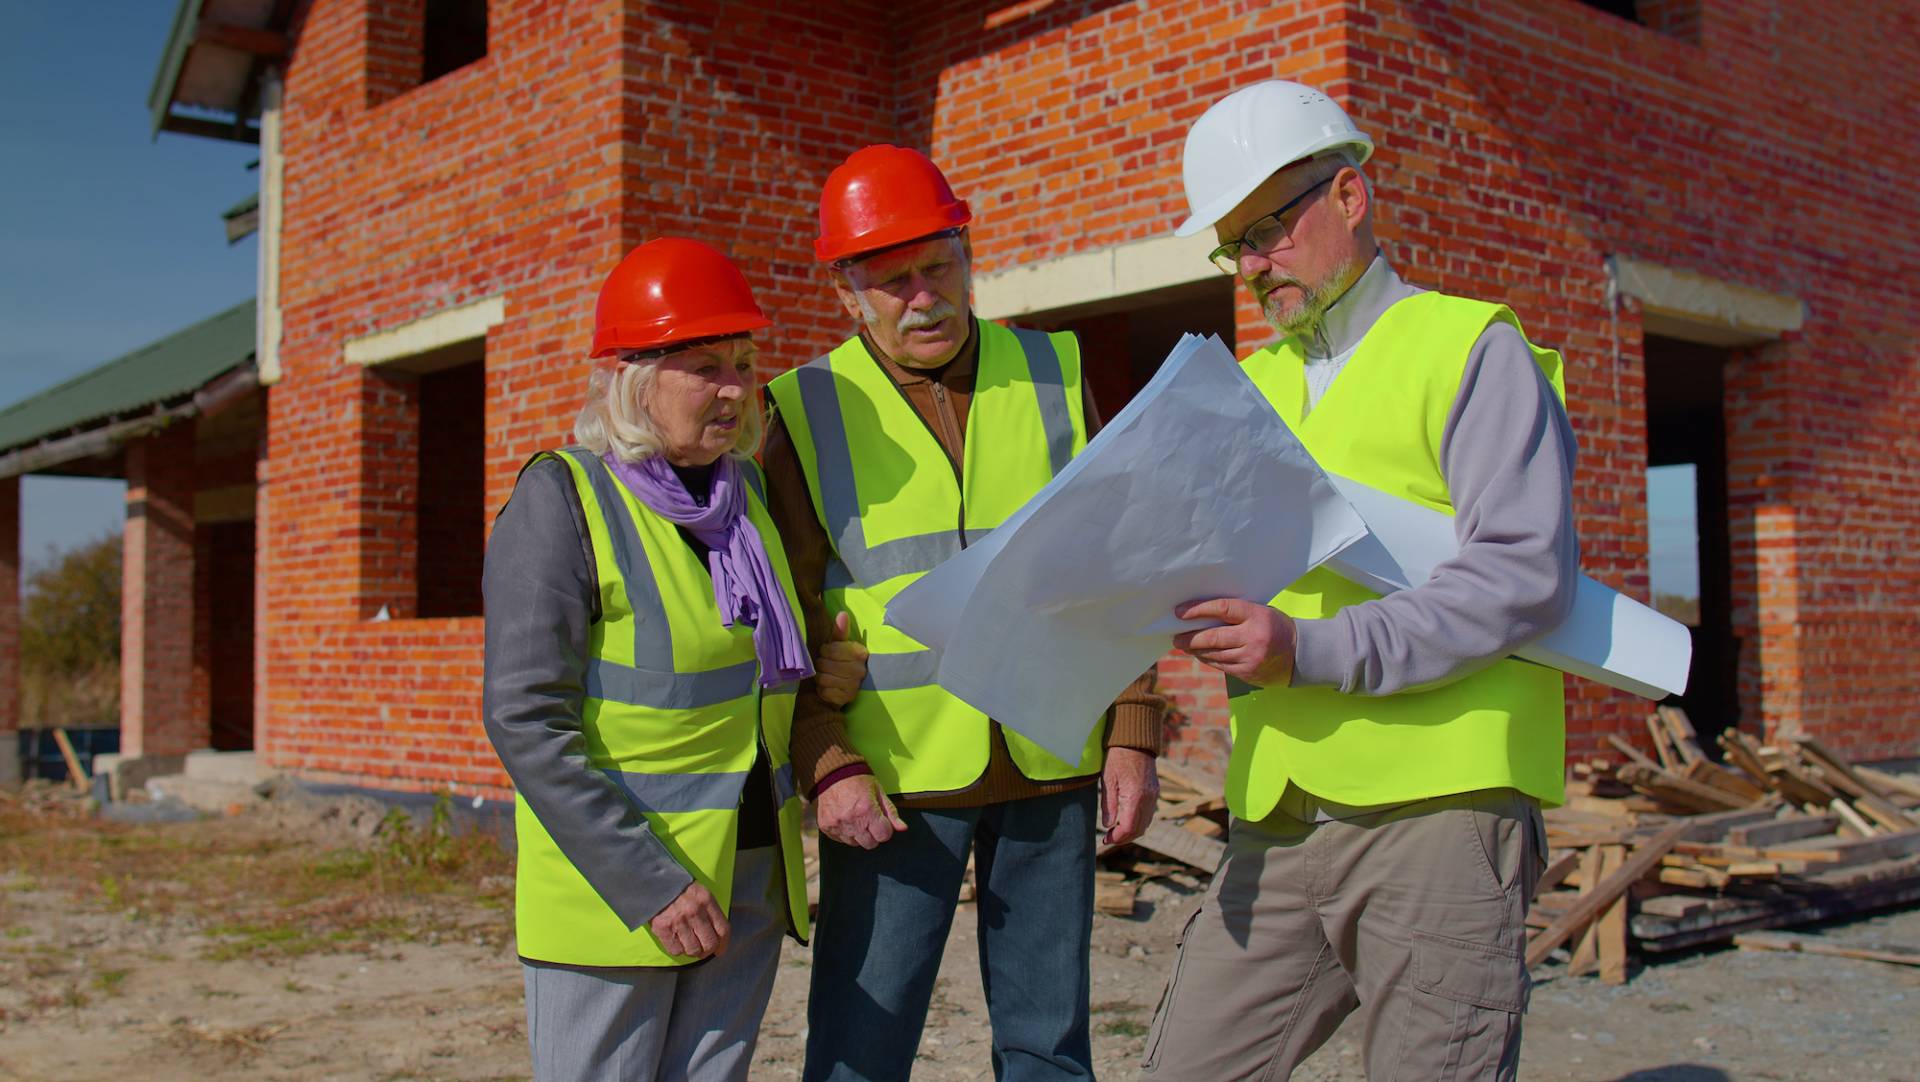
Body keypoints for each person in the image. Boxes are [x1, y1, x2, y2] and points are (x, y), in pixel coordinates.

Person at [1141, 81, 1578, 1081]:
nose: (1252, 264)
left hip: (1441, 813)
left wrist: (1309, 648)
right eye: (1234, 245)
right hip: (1284, 811)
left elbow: (1523, 576)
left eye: (1268, 230)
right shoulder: (1251, 389)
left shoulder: (1468, 350)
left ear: (1348, 196)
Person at [761, 144, 1167, 1082]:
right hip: (895, 781)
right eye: (892, 280)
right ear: (846, 293)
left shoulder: (1056, 372)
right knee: (862, 1051)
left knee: (1050, 1046)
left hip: (1047, 757)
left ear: (967, 253)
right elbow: (783, 615)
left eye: (938, 267)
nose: (923, 297)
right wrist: (827, 760)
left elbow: (1119, 561)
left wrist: (1134, 730)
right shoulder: (805, 408)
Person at [482, 237, 868, 1082]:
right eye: (705, 367)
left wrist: (818, 675)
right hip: (620, 891)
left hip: (749, 870)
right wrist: (646, 881)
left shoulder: (746, 498)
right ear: (631, 377)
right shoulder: (562, 500)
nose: (736, 388)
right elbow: (523, 717)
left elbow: (754, 672)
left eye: (742, 362)